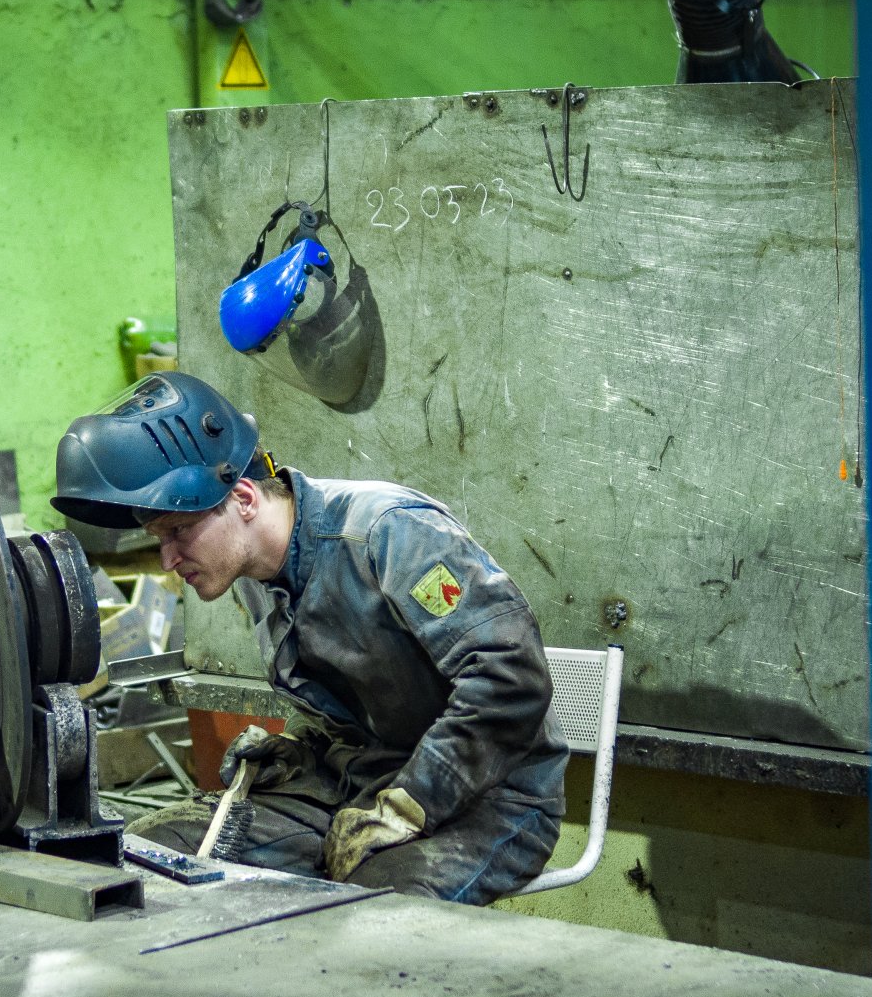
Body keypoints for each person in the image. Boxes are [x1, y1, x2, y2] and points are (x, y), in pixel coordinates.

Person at [52, 372, 568, 906]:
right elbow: (346, 692)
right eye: (158, 537)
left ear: (244, 499)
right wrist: (298, 751)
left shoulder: (388, 533)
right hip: (352, 784)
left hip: (489, 796)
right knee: (150, 853)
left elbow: (510, 677)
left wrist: (410, 803)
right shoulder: (254, 574)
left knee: (371, 915)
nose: (168, 559)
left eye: (179, 532)